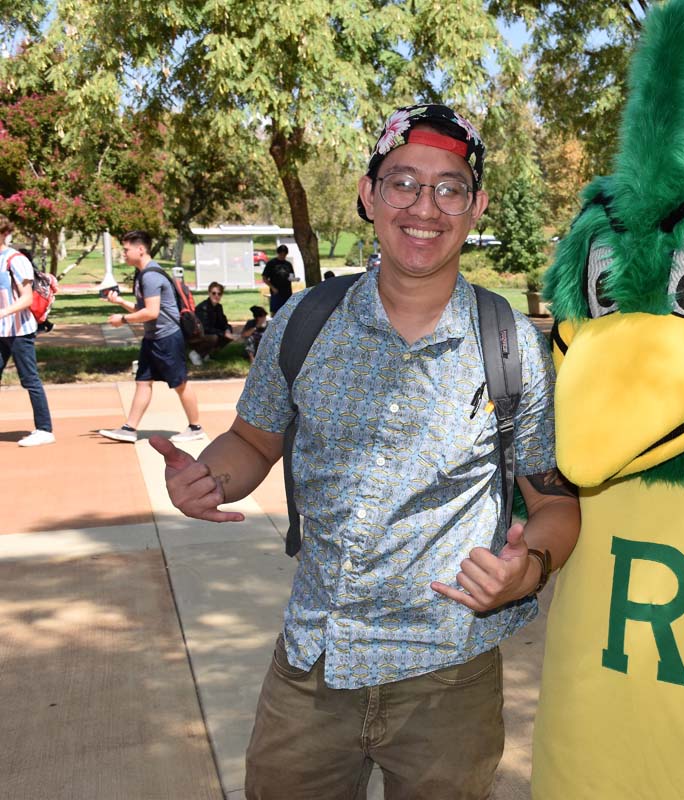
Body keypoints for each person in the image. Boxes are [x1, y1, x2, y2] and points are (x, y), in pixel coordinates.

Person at [149, 103, 580, 800]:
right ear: (369, 193)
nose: (425, 206)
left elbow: (555, 500)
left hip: (450, 679)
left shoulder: (512, 348)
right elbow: (254, 442)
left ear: (476, 207)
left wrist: (529, 568)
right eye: (405, 182)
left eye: (449, 188)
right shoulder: (306, 322)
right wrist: (211, 479)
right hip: (314, 666)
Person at [99, 231, 204, 444]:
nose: (124, 254)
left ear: (141, 249)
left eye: (126, 249)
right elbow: (143, 308)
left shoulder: (150, 276)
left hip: (167, 339)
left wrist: (123, 319)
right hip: (153, 338)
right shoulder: (143, 274)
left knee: (180, 383)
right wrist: (120, 302)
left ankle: (195, 428)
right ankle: (129, 428)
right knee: (143, 382)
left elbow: (152, 313)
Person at [0, 215, 55, 447]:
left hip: (20, 331)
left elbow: (26, 299)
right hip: (1, 331)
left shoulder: (15, 260)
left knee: (30, 379)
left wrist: (2, 313)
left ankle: (44, 429)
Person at [190, 281, 234, 364]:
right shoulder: (202, 308)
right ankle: (195, 353)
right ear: (209, 293)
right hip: (198, 334)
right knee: (214, 337)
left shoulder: (219, 307)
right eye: (214, 293)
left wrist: (228, 330)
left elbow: (224, 323)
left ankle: (206, 354)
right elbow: (205, 328)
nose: (216, 296)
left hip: (211, 332)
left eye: (219, 294)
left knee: (227, 336)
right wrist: (223, 333)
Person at [262, 245, 294, 313]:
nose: (283, 256)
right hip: (276, 292)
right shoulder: (271, 264)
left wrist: (293, 279)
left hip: (287, 292)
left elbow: (291, 276)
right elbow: (264, 278)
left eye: (284, 254)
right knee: (275, 311)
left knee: (287, 311)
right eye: (281, 254)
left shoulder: (288, 264)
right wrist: (272, 288)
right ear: (278, 253)